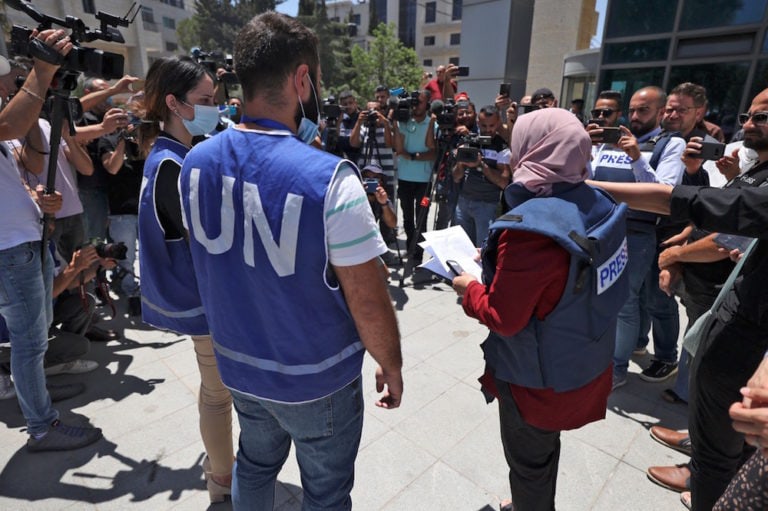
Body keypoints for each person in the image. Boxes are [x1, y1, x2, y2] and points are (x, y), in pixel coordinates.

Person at [178, 13, 403, 510]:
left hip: (239, 366)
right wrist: (391, 362)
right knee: (326, 492)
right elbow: (367, 297)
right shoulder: (332, 180)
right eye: (317, 81)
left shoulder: (194, 163)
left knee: (255, 466)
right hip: (316, 378)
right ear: (303, 80)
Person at [587, 91, 768, 510]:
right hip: (728, 302)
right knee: (719, 424)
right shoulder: (754, 167)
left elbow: (687, 204)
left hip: (746, 321)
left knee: (721, 449)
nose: (749, 124)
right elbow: (707, 207)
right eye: (748, 114)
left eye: (762, 116)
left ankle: (705, 477)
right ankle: (698, 447)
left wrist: (589, 187)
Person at [452, 108, 629, 511]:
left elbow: (503, 317)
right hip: (583, 360)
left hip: (536, 380)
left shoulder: (528, 229)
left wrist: (469, 288)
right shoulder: (597, 199)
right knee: (544, 451)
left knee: (528, 463)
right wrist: (503, 263)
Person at [0, 30, 104, 452]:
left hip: (27, 241)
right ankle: (41, 426)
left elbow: (30, 157)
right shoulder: (5, 119)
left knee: (38, 335)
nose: (8, 86)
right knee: (28, 342)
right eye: (5, 81)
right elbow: (10, 123)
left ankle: (35, 397)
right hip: (9, 251)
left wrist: (33, 197)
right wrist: (41, 73)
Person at [136, 56, 234, 503]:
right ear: (174, 104)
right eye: (206, 100)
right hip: (200, 301)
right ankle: (223, 483)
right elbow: (205, 241)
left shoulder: (166, 154)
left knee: (214, 391)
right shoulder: (173, 165)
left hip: (195, 299)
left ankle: (221, 473)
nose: (215, 107)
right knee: (218, 396)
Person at [588, 86, 686, 390]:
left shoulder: (670, 144)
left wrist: (636, 157)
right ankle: (606, 353)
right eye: (632, 110)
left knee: (624, 302)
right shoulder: (607, 141)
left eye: (643, 110)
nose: (635, 116)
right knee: (597, 294)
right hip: (599, 227)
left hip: (636, 233)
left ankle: (616, 367)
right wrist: (582, 146)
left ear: (660, 112)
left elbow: (665, 194)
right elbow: (587, 179)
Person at [452, 104, 510, 245]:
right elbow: (456, 176)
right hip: (463, 203)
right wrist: (461, 160)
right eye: (484, 126)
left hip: (487, 205)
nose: (488, 130)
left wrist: (480, 164)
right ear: (478, 123)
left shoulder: (501, 146)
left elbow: (504, 182)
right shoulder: (470, 141)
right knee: (462, 249)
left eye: (492, 126)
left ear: (498, 123)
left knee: (483, 251)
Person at [393, 90, 436, 264]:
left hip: (424, 182)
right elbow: (398, 149)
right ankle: (411, 247)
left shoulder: (432, 123)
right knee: (408, 218)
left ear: (427, 104)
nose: (416, 105)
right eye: (414, 101)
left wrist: (412, 156)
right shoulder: (404, 121)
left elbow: (432, 151)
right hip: (404, 179)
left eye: (420, 102)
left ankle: (418, 254)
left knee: (422, 217)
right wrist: (395, 121)